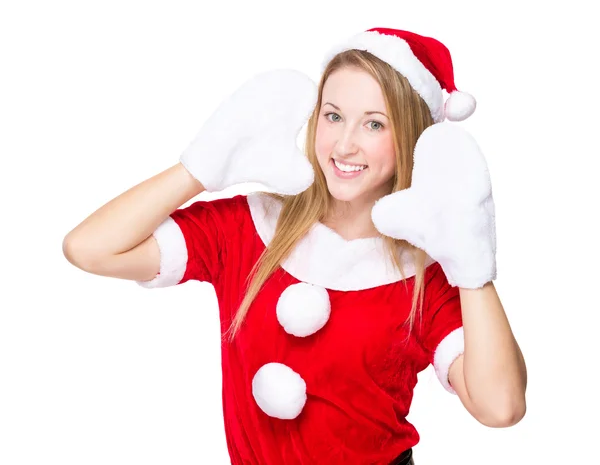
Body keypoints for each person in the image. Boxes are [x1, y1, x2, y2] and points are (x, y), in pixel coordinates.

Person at [63, 27, 527, 465]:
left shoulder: (428, 273)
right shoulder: (248, 227)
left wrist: (472, 260)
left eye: (374, 124)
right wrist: (199, 168)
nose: (344, 144)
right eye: (334, 116)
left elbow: (500, 407)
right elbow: (89, 248)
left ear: (410, 136)